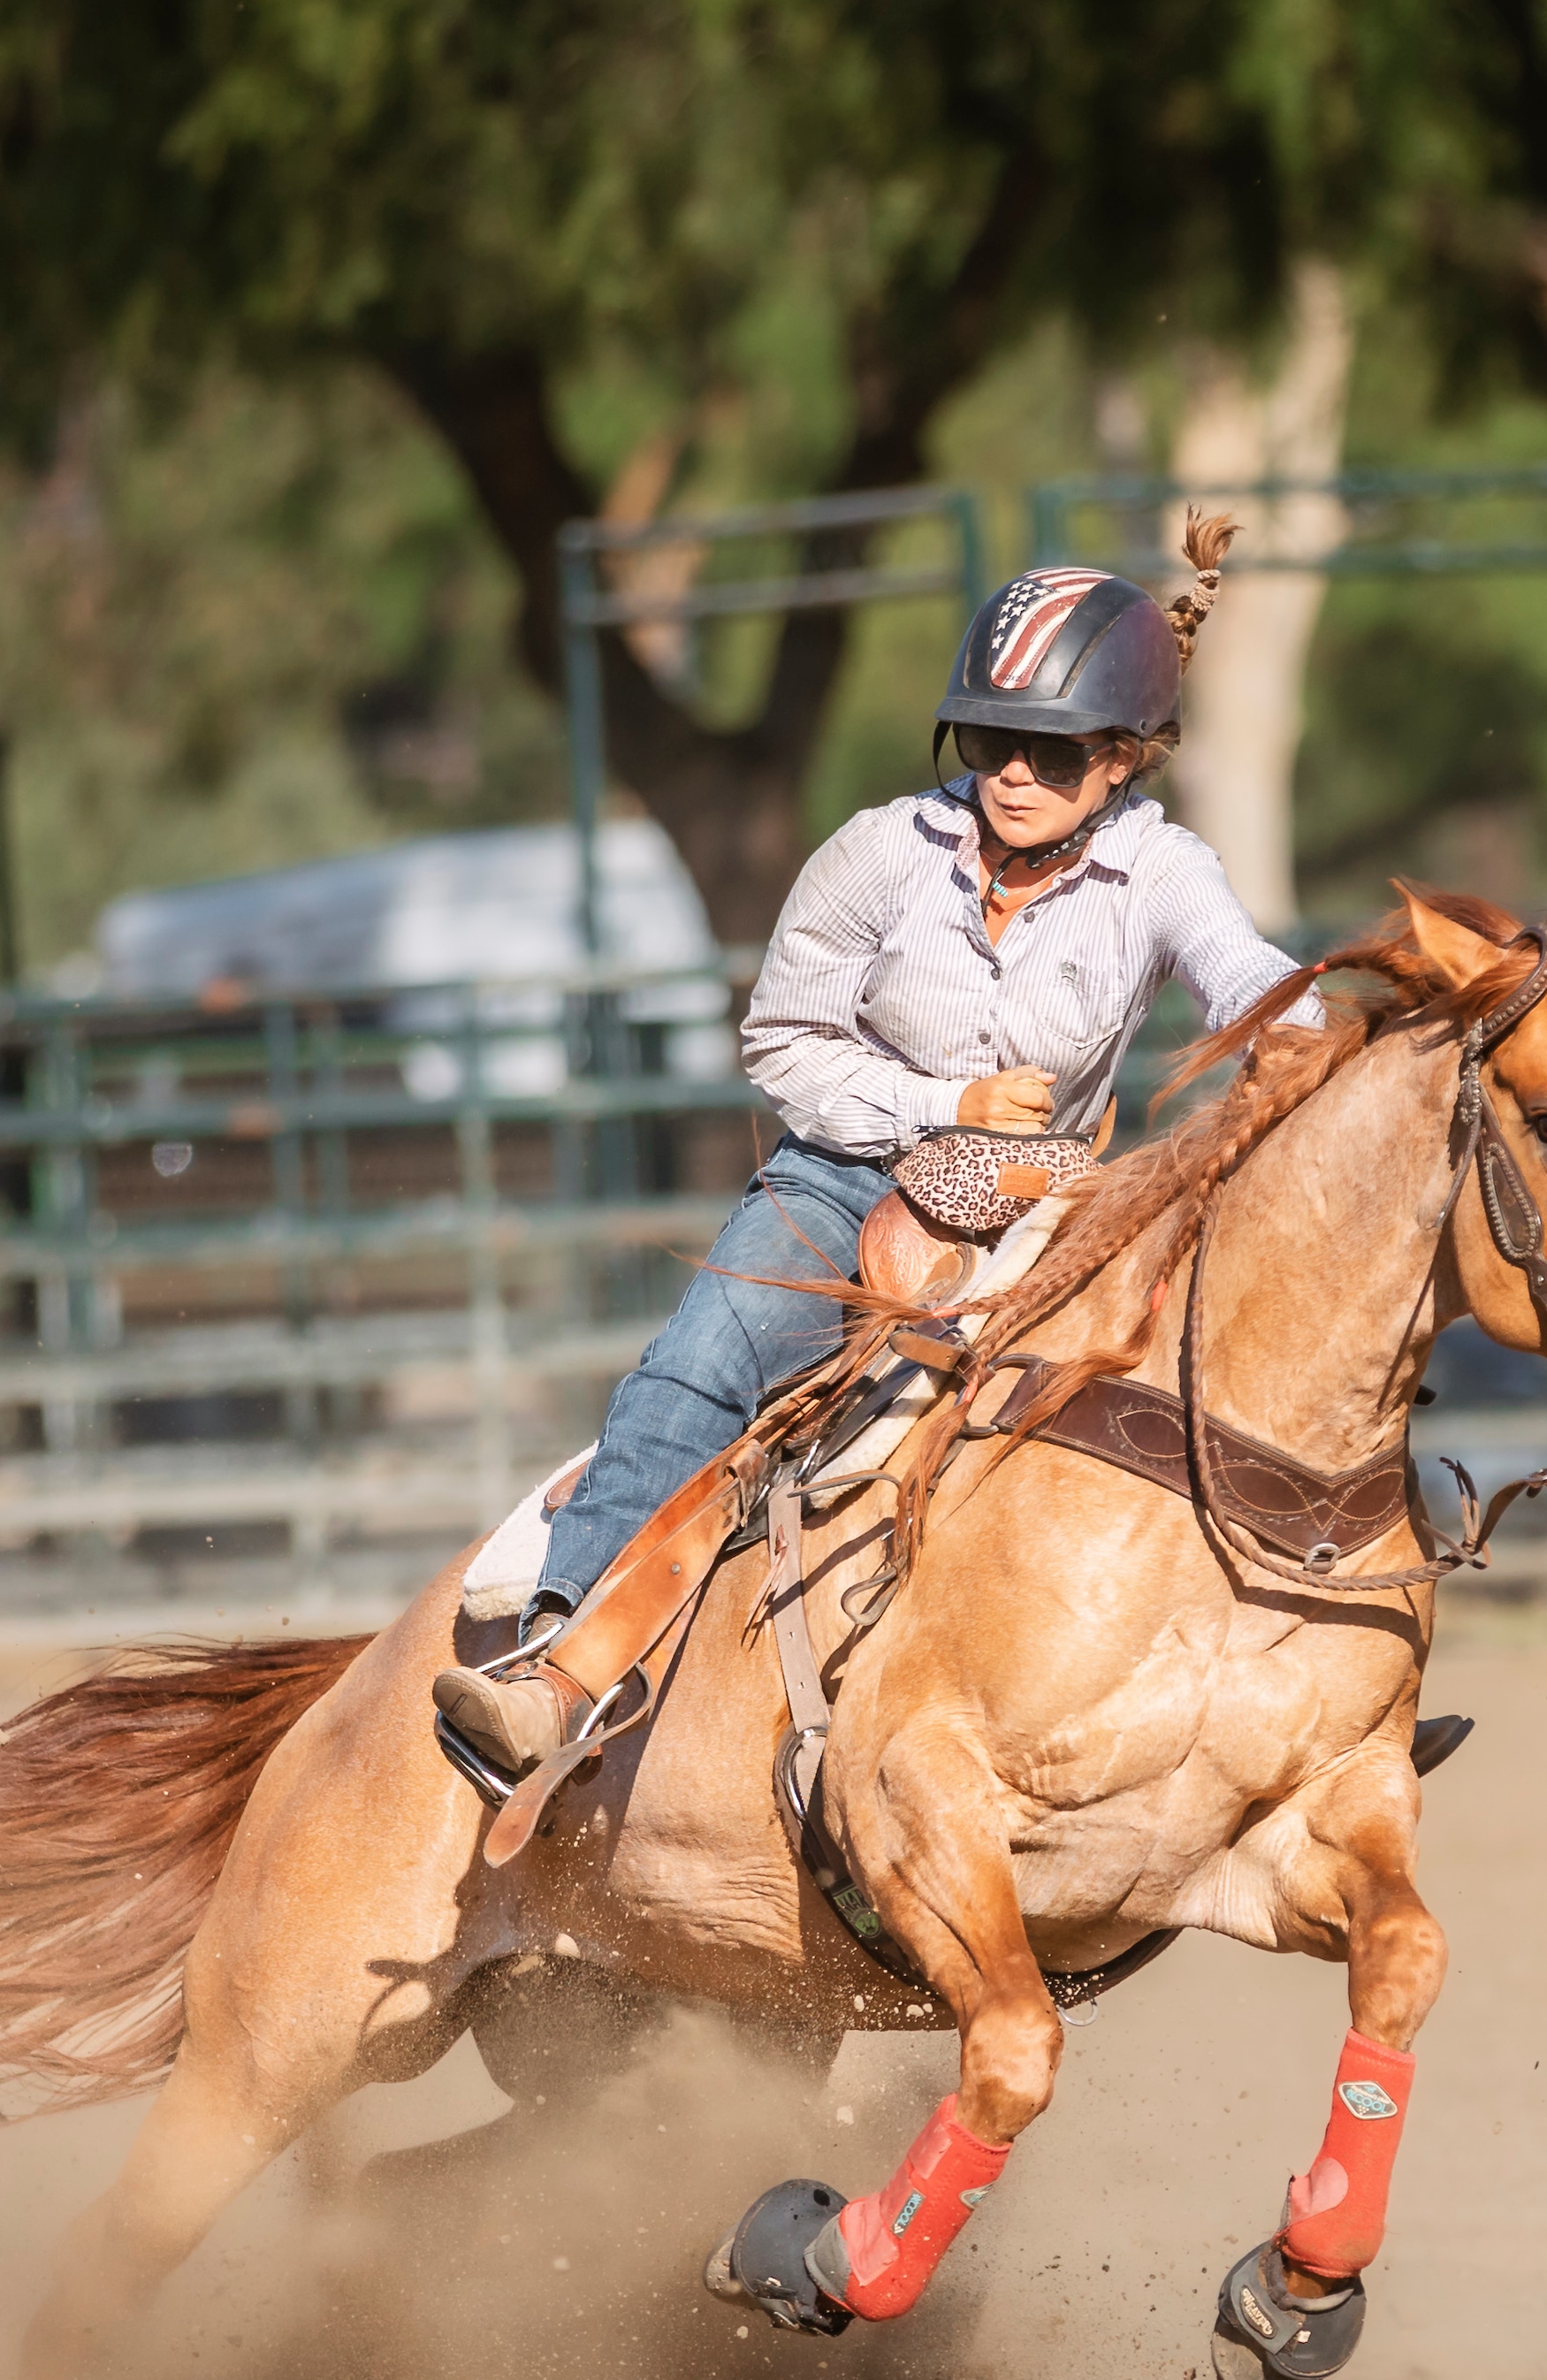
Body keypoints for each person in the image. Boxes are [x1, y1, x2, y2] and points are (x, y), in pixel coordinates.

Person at [434, 533, 1301, 1778]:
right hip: (844, 1177)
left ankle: (1297, 1679)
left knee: (1230, 1365)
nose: (1013, 773)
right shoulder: (881, 852)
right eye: (989, 739)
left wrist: (1335, 1034)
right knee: (705, 1361)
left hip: (1052, 1207)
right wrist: (946, 1101)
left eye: (1054, 752)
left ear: (1124, 757)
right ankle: (554, 1668)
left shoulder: (1162, 871)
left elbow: (1245, 975)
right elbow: (779, 1040)